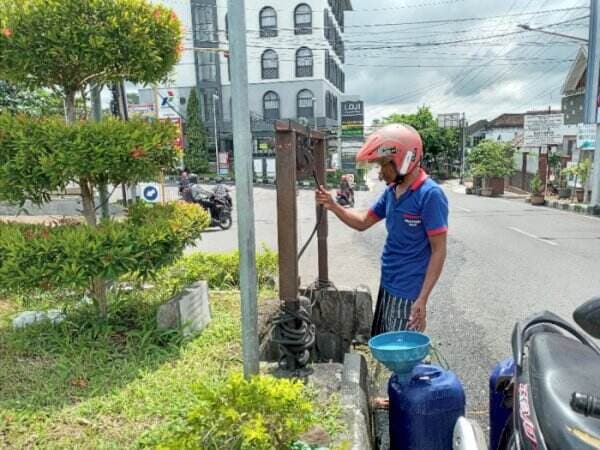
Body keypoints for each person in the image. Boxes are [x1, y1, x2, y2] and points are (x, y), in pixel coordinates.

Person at [316, 123, 448, 335]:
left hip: (409, 291)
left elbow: (439, 250)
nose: (380, 173)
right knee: (387, 342)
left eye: (382, 165)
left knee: (402, 353)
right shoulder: (392, 191)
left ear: (404, 160)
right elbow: (362, 222)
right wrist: (332, 205)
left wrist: (422, 299)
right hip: (388, 283)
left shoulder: (430, 195)